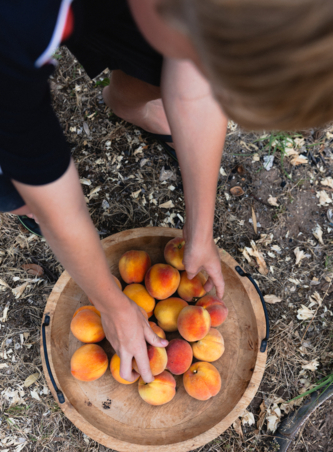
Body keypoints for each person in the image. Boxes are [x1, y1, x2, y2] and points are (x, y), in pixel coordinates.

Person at [1, 0, 333, 383]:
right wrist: (112, 306)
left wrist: (200, 231)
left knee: (164, 65)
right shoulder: (11, 43)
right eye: (200, 57)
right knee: (20, 190)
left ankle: (129, 102)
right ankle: (19, 203)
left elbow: (193, 82)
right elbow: (60, 209)